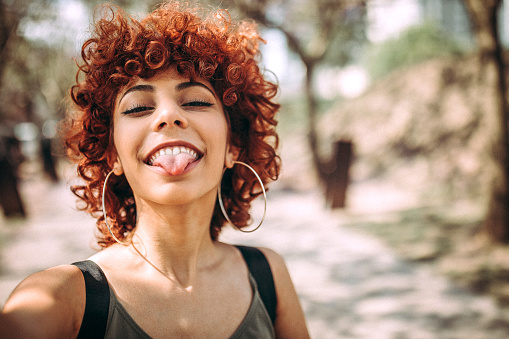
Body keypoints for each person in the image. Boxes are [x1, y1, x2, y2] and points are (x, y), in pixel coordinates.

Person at [0, 2, 310, 338]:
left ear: (233, 145)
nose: (168, 115)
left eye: (195, 101)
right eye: (137, 107)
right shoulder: (56, 301)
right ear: (113, 154)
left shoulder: (270, 277)